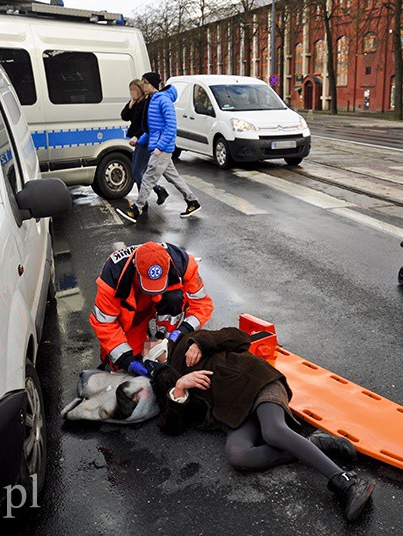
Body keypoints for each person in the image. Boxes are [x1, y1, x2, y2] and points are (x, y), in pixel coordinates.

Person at [152, 327, 376, 521]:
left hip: (257, 384)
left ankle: (347, 482)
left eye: (153, 345)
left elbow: (240, 337)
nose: (152, 351)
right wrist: (179, 389)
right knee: (238, 456)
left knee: (273, 432)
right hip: (236, 416)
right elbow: (171, 427)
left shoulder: (188, 341)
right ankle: (314, 443)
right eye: (148, 354)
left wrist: (201, 342)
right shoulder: (165, 382)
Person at [89, 241, 213, 376]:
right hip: (134, 307)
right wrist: (126, 360)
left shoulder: (182, 263)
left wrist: (182, 331)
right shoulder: (113, 276)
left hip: (165, 301)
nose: (155, 296)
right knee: (123, 361)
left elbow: (202, 305)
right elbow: (104, 324)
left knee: (175, 298)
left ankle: (163, 341)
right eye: (150, 288)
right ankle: (146, 345)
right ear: (136, 268)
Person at [116, 72, 201, 224]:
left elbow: (171, 127)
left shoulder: (163, 101)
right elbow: (152, 129)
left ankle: (137, 209)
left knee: (148, 178)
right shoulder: (153, 100)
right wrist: (140, 140)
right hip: (156, 145)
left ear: (152, 84)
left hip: (162, 148)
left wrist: (160, 147)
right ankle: (192, 202)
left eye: (145, 83)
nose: (143, 86)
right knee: (173, 177)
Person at [121, 79, 168, 211]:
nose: (132, 93)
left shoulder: (147, 103)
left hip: (146, 140)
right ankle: (158, 190)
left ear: (141, 90)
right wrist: (131, 103)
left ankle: (143, 201)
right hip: (139, 140)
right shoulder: (136, 103)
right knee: (141, 171)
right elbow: (124, 116)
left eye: (134, 90)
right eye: (130, 90)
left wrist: (137, 136)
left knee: (137, 171)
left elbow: (146, 125)